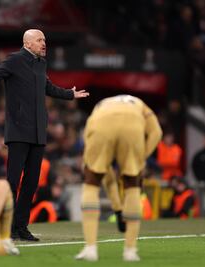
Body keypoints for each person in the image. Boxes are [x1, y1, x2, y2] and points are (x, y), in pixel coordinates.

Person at [0, 29, 89, 241]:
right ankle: (6, 226)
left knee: (32, 183)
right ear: (27, 43)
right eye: (39, 40)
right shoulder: (15, 60)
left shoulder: (40, 64)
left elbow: (48, 88)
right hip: (18, 131)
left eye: (45, 39)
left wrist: (70, 94)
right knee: (12, 181)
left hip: (37, 132)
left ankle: (20, 227)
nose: (44, 43)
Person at [75, 95, 162, 262]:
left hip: (100, 123)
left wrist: (118, 209)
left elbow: (106, 175)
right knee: (132, 185)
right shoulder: (139, 103)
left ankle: (91, 249)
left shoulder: (99, 106)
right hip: (133, 124)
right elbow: (157, 132)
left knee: (91, 183)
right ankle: (130, 251)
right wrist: (142, 158)